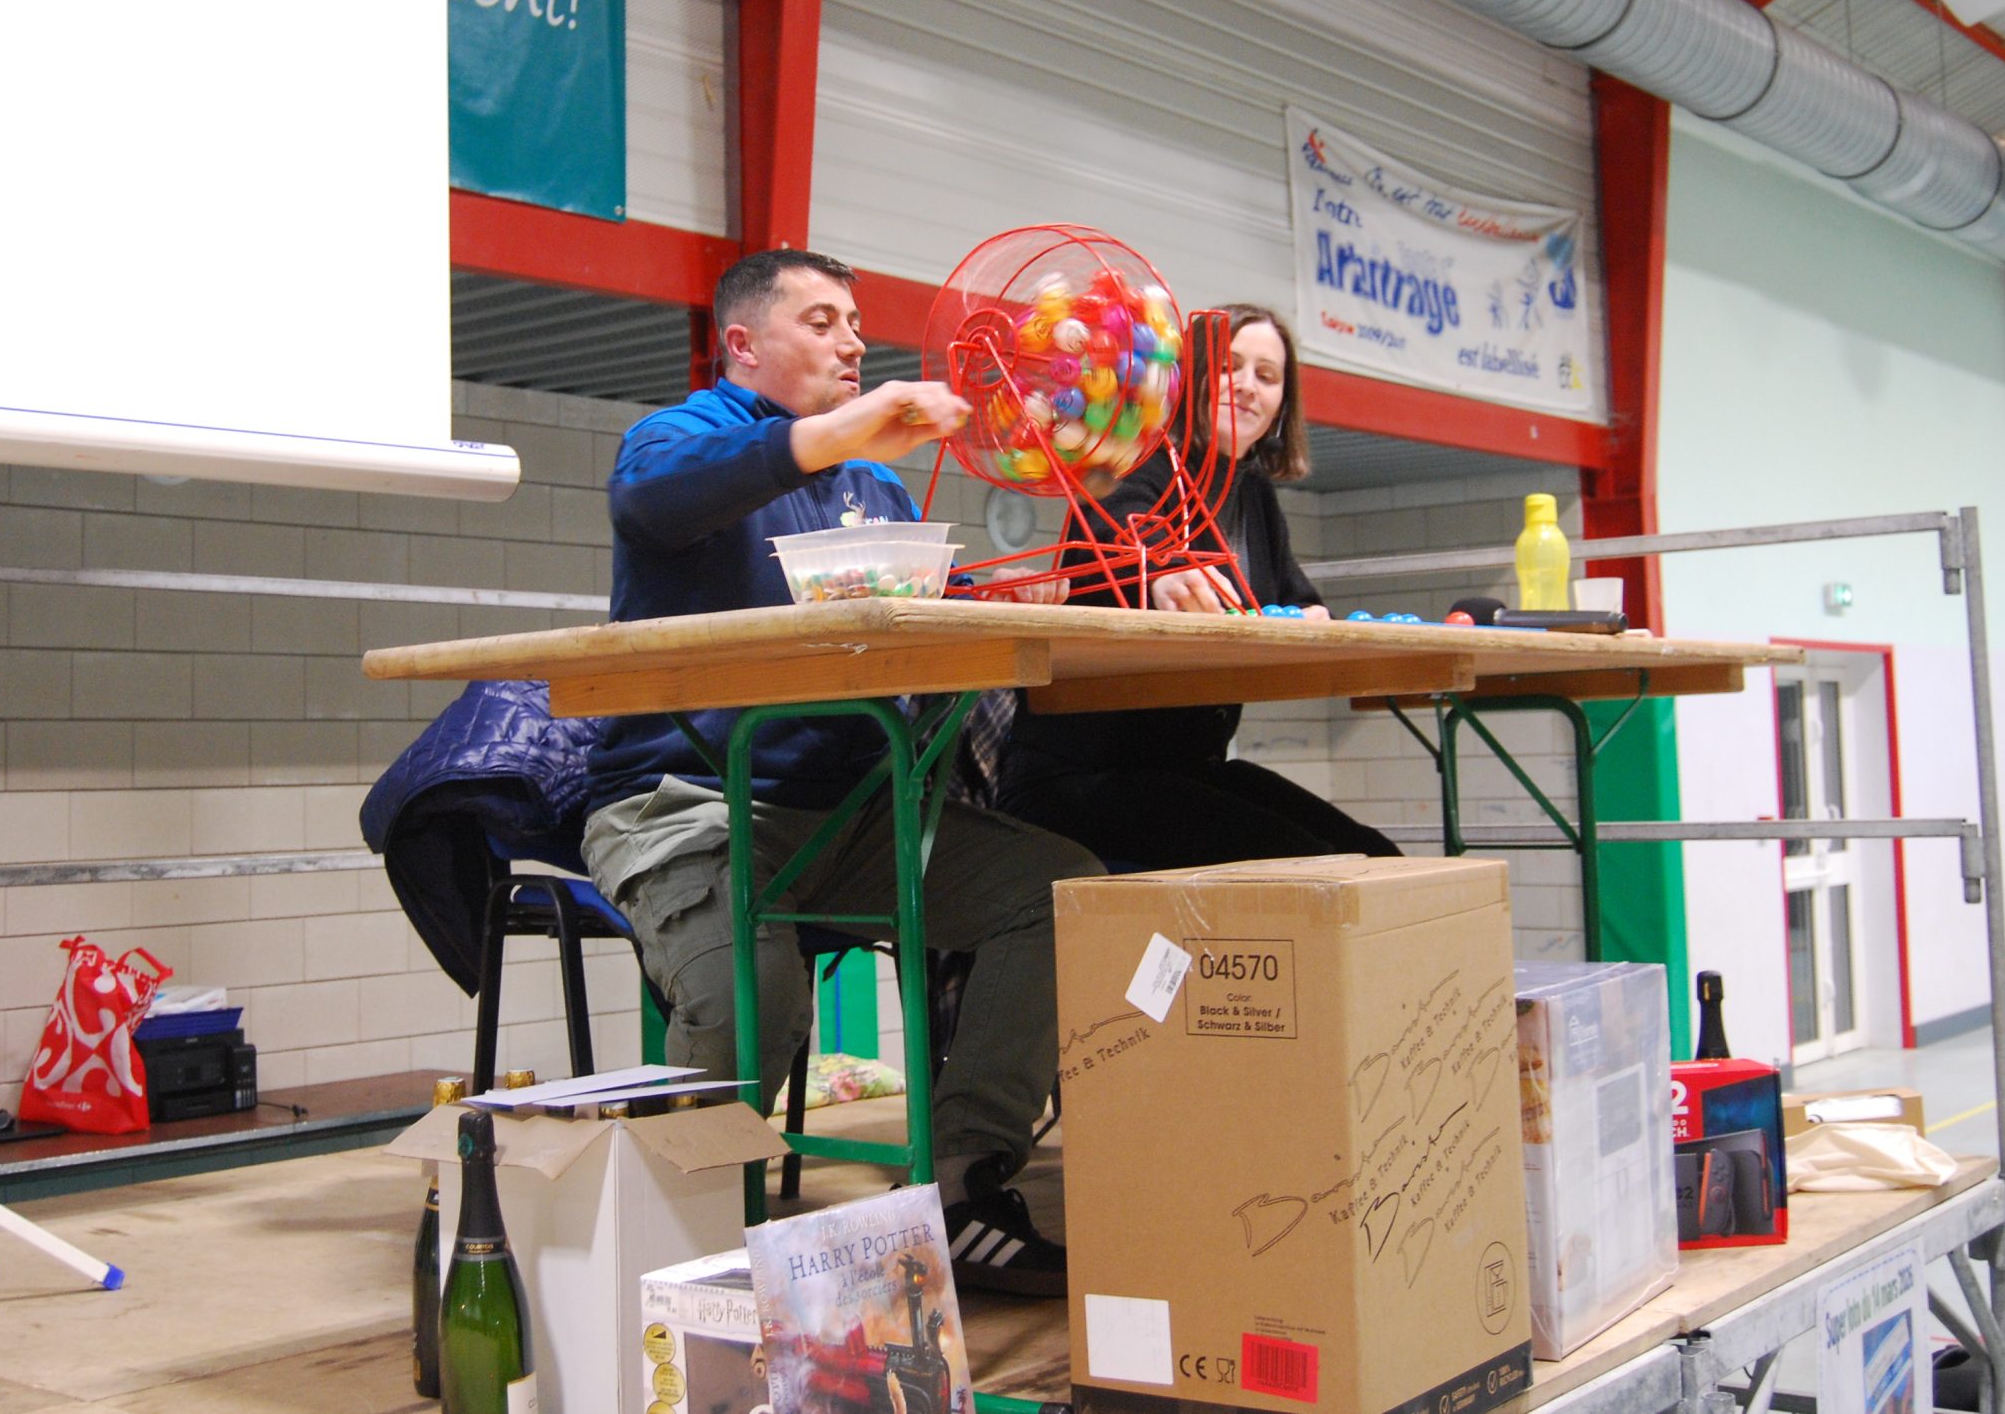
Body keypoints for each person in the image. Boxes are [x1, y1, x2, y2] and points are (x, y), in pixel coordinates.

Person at [580, 248, 1099, 1296]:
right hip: (687, 808)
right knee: (754, 995)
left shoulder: (874, 485)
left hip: (847, 817)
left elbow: (932, 622)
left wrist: (1041, 599)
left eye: (855, 323)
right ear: (741, 343)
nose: (853, 342)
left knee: (1055, 892)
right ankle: (674, 1247)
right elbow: (655, 505)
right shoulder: (674, 437)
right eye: (821, 321)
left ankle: (961, 1186)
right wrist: (836, 433)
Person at [991, 301, 1404, 869]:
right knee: (1314, 865)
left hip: (1189, 772)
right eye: (1229, 366)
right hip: (1080, 780)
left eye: (1267, 376)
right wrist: (1163, 570)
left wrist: (1312, 617)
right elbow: (1123, 524)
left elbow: (1299, 600)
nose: (1247, 386)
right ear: (1192, 381)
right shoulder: (1137, 458)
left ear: (1283, 405)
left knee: (1377, 856)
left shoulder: (1253, 493)